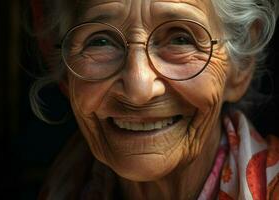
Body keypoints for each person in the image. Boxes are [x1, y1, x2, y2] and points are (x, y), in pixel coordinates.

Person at [28, 0, 279, 199]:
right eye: (101, 41)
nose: (139, 89)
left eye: (181, 39)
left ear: (241, 65)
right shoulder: (60, 186)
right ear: (64, 67)